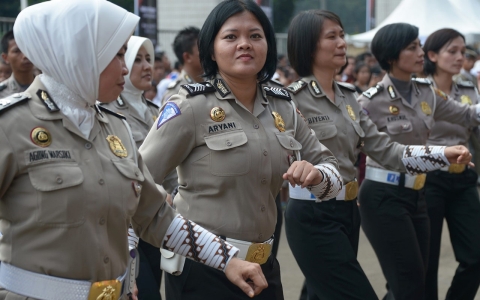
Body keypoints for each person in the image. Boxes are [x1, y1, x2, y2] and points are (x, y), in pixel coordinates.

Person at [0, 1, 270, 299]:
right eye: (117, 55)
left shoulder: (115, 128)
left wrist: (227, 259)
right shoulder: (11, 125)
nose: (126, 67)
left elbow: (155, 216)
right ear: (79, 54)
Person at [139, 1, 344, 299]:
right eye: (231, 37)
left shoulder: (283, 106)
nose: (245, 45)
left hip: (264, 266)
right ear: (211, 49)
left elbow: (333, 173)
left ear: (268, 46)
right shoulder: (190, 106)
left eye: (255, 36)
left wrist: (317, 175)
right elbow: (135, 182)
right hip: (203, 269)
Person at [284, 11, 474, 300]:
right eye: (332, 36)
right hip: (313, 213)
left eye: (343, 35)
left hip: (347, 211)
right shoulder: (289, 99)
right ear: (308, 45)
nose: (342, 43)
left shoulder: (348, 96)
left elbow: (388, 151)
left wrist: (443, 154)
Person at [357, 23, 480, 300]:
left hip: (418, 194)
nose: (420, 52)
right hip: (383, 195)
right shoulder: (369, 102)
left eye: (419, 45)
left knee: (415, 283)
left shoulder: (427, 92)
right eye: (412, 47)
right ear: (391, 56)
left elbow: (467, 114)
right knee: (408, 284)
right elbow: (350, 150)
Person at [100, 36, 164, 300]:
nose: (146, 66)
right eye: (136, 59)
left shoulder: (154, 109)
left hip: (158, 217)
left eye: (148, 59)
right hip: (127, 226)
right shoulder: (107, 111)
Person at [422, 28, 480, 300]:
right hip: (428, 179)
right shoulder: (418, 89)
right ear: (432, 55)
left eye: (463, 52)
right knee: (426, 261)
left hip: (464, 178)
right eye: (452, 51)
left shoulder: (468, 89)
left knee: (475, 257)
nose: (460, 57)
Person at [162, 27, 203, 103]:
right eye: (202, 50)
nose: (209, 53)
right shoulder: (176, 93)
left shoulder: (213, 83)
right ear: (187, 57)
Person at [0, 30, 35, 98]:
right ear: (5, 57)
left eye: (28, 49)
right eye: (17, 51)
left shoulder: (49, 87)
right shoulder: (2, 93)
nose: (25, 56)